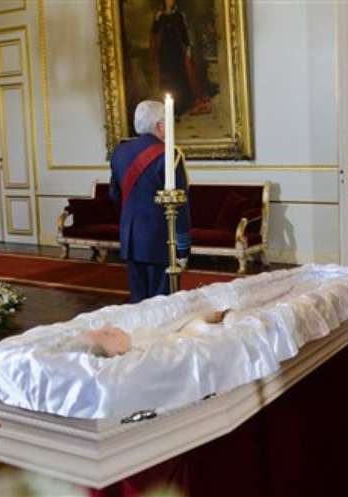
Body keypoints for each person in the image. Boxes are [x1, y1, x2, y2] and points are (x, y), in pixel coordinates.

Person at [110, 100, 190, 304]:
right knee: (162, 307)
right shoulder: (169, 155)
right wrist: (183, 248)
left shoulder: (120, 152)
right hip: (161, 242)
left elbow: (114, 195)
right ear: (161, 126)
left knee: (138, 305)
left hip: (130, 239)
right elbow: (180, 205)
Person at [149, 0, 211, 115]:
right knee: (166, 78)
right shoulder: (159, 15)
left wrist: (188, 49)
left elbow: (184, 34)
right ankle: (169, 107)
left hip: (176, 50)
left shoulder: (179, 15)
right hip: (164, 51)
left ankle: (181, 105)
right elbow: (154, 32)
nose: (170, 1)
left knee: (178, 76)